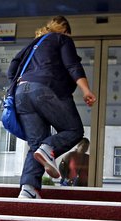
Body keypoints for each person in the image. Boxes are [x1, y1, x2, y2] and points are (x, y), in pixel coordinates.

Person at [7, 16, 96, 199]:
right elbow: (72, 65)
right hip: (44, 89)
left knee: (36, 145)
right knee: (73, 130)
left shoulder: (33, 45)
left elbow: (11, 70)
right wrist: (86, 89)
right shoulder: (62, 39)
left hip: (21, 94)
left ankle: (29, 189)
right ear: (64, 30)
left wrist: (24, 85)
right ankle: (48, 149)